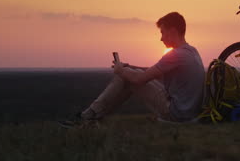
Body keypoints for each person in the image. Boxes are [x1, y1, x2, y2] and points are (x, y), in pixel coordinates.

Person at [59, 12, 205, 127]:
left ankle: (87, 117)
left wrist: (120, 71)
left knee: (127, 78)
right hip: (188, 111)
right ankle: (91, 116)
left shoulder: (176, 55)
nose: (161, 38)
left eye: (163, 32)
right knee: (130, 74)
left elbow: (139, 79)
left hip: (176, 113)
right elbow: (153, 71)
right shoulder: (191, 51)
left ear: (173, 31)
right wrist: (131, 68)